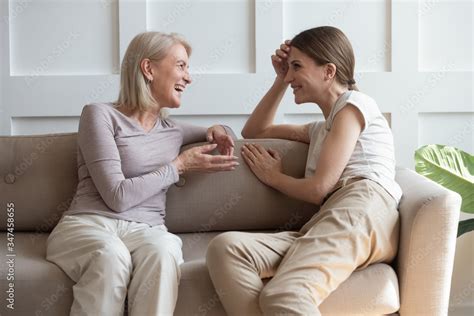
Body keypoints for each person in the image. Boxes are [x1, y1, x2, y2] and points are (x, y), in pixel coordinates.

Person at [206, 26, 402, 315]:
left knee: (285, 294)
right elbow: (255, 131)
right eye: (288, 68)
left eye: (296, 67)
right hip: (333, 218)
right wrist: (279, 81)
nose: (290, 76)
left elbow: (319, 188)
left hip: (362, 210)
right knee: (226, 249)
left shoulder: (353, 105)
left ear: (329, 71)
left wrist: (275, 177)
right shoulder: (321, 129)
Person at [46, 32, 239, 316]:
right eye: (181, 66)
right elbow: (117, 197)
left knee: (164, 252)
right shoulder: (99, 115)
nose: (189, 77)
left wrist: (222, 129)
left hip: (148, 230)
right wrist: (178, 166)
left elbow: (228, 137)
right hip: (90, 225)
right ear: (148, 69)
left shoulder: (173, 131)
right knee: (111, 257)